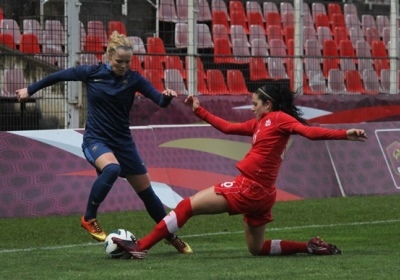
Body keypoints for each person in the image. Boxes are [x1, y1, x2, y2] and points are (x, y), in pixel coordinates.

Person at [111, 82, 368, 259]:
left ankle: (141, 247)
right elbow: (226, 127)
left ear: (268, 104)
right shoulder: (261, 122)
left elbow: (309, 132)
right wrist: (199, 110)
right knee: (256, 249)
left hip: (250, 187)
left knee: (187, 206)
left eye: (255, 103)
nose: (252, 106)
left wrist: (345, 134)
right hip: (263, 195)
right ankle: (309, 247)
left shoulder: (278, 118)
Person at [15, 31, 192, 254]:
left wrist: (166, 96)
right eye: (119, 61)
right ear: (108, 57)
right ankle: (89, 218)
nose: (124, 66)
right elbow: (58, 76)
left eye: (128, 62)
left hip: (124, 143)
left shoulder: (133, 78)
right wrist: (29, 89)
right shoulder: (91, 73)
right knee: (112, 168)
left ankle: (170, 237)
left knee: (148, 194)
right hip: (95, 140)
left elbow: (159, 100)